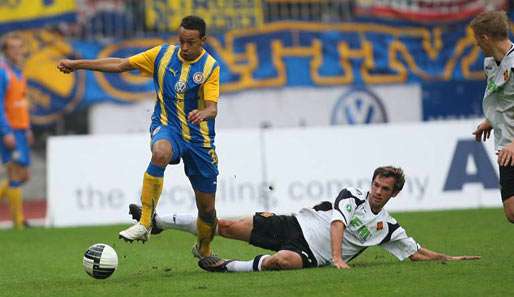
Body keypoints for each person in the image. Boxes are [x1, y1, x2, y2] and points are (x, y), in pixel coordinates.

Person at [57, 15, 220, 258]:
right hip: (168, 127)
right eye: (181, 41)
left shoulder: (210, 67)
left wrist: (204, 112)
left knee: (207, 211)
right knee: (160, 152)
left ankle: (204, 250)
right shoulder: (162, 55)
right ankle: (145, 223)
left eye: (191, 42)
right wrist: (77, 64)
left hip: (199, 140)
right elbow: (121, 64)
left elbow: (212, 107)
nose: (185, 47)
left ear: (203, 41)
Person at [128, 166, 480, 272]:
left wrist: (450, 259)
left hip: (312, 255)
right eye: (375, 184)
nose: (377, 191)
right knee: (226, 226)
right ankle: (158, 220)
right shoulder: (350, 195)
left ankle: (224, 266)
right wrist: (341, 258)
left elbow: (415, 251)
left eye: (384, 188)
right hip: (296, 224)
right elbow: (337, 224)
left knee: (283, 262)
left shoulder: (387, 228)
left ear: (394, 194)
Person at [470, 11, 514, 223]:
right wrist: (491, 121)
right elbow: (505, 101)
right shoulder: (490, 64)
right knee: (511, 212)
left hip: (513, 145)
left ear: (485, 37)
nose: (476, 44)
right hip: (506, 146)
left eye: (477, 38)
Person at [0, 32, 33, 230]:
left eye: (20, 47)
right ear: (5, 51)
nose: (18, 51)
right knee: (14, 174)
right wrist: (6, 132)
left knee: (24, 176)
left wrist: (27, 127)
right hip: (10, 130)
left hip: (21, 129)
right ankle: (18, 223)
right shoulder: (3, 72)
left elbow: (21, 103)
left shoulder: (19, 73)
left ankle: (19, 220)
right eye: (13, 48)